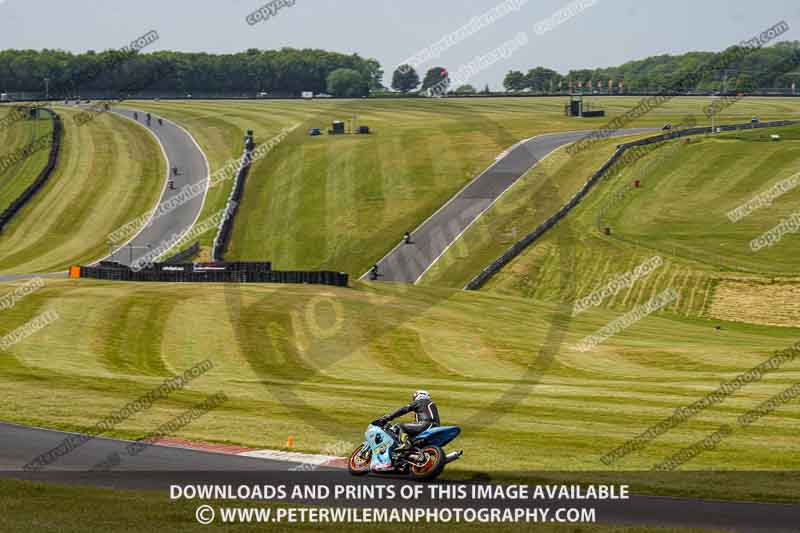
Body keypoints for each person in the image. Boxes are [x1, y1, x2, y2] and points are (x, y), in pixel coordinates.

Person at [373, 391, 440, 452]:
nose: (414, 399)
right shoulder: (431, 404)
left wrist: (389, 417)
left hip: (425, 425)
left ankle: (405, 444)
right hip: (435, 427)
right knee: (412, 437)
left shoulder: (420, 401)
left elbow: (404, 409)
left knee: (399, 426)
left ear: (420, 396)